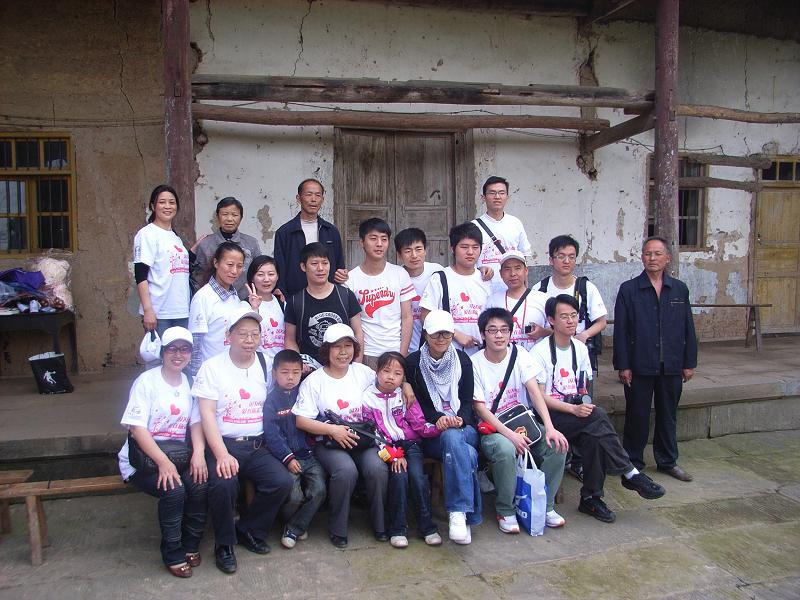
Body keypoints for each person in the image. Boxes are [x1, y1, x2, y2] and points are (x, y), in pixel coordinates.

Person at [532, 295, 666, 523]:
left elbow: (584, 386)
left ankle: (590, 499)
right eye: (564, 316)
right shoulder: (540, 351)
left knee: (594, 434)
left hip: (576, 413)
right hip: (550, 417)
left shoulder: (580, 349)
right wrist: (573, 410)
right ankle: (628, 472)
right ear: (551, 320)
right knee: (598, 417)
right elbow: (540, 397)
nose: (570, 321)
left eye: (574, 316)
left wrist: (582, 405)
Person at [193, 306, 292, 574]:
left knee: (281, 482)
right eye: (242, 334)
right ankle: (224, 545)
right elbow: (206, 414)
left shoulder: (265, 363)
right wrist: (221, 454)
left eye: (255, 334)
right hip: (225, 444)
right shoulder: (212, 367)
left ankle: (249, 529)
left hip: (258, 445)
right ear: (228, 336)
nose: (249, 340)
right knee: (224, 484)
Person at [118, 326, 208, 578]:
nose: (178, 355)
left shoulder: (191, 382)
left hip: (178, 456)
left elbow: (196, 423)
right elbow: (137, 428)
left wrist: (199, 453)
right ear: (162, 352)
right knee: (174, 489)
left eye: (184, 349)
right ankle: (172, 552)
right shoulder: (147, 381)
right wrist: (163, 463)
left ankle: (191, 544)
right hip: (144, 460)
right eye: (172, 349)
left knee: (200, 483)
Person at [471, 308, 569, 532]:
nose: (499, 335)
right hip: (493, 429)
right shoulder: (474, 363)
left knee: (557, 445)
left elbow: (535, 392)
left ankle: (545, 506)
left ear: (510, 333)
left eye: (504, 330)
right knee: (506, 448)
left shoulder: (520, 354)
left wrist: (550, 428)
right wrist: (510, 435)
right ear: (483, 334)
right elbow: (480, 408)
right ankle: (505, 510)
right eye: (492, 330)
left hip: (524, 424)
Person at [292, 324, 389, 548]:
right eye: (336, 347)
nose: (343, 352)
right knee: (345, 471)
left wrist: (406, 385)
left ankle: (380, 524)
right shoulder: (315, 380)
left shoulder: (364, 373)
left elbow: (387, 388)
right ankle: (338, 528)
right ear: (326, 350)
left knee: (377, 468)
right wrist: (331, 430)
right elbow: (301, 420)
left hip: (362, 439)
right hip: (330, 442)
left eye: (348, 346)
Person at [614, 236, 698, 482]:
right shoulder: (629, 289)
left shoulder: (679, 289)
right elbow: (621, 330)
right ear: (642, 257)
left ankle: (668, 461)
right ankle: (633, 463)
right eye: (648, 253)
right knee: (637, 415)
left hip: (671, 364)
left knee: (668, 414)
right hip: (640, 364)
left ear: (667, 258)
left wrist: (688, 363)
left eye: (658, 254)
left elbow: (688, 327)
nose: (652, 258)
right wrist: (623, 365)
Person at [405, 310, 481, 545]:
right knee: (466, 453)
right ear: (426, 335)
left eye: (447, 334)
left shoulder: (463, 360)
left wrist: (459, 419)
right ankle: (465, 517)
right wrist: (438, 418)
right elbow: (421, 404)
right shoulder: (413, 363)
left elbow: (467, 401)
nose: (441, 339)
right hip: (432, 432)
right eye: (436, 334)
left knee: (454, 437)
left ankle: (458, 511)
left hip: (464, 428)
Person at [361, 351, 442, 548]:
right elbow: (373, 432)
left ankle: (427, 527)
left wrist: (438, 428)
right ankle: (398, 529)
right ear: (377, 371)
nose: (391, 377)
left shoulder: (404, 395)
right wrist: (393, 454)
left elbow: (418, 422)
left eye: (397, 374)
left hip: (411, 444)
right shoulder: (368, 398)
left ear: (403, 377)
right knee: (399, 478)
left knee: (417, 477)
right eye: (386, 371)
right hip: (388, 447)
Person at [262, 349, 326, 549]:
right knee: (294, 497)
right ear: (274, 373)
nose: (290, 377)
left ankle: (294, 528)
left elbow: (316, 416)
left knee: (320, 490)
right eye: (285, 372)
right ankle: (295, 523)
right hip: (286, 459)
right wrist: (287, 458)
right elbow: (272, 435)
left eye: (295, 372)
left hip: (309, 454)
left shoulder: (304, 392)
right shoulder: (271, 401)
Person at [345, 218, 414, 367]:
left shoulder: (400, 274)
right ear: (362, 242)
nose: (379, 244)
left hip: (395, 351)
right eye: (373, 238)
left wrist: (402, 353)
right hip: (367, 353)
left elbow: (407, 317)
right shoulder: (351, 280)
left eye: (384, 239)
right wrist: (358, 360)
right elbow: (353, 324)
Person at [133, 185, 192, 360]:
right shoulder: (147, 234)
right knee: (160, 360)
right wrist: (148, 310)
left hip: (180, 310)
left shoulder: (174, 236)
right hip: (160, 311)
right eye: (162, 202)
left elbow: (176, 267)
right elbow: (141, 275)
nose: (167, 206)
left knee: (178, 360)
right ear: (153, 206)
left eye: (172, 202)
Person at [284, 242, 364, 370]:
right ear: (303, 266)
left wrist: (356, 366)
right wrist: (298, 365)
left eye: (325, 263)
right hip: (311, 371)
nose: (320, 268)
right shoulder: (296, 302)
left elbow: (358, 332)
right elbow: (290, 339)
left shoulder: (345, 295)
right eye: (314, 263)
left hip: (344, 368)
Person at [535, 235, 607, 372]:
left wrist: (584, 335)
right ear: (551, 260)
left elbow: (601, 322)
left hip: (578, 351)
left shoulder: (587, 288)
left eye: (571, 257)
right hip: (547, 353)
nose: (566, 261)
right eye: (561, 256)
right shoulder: (540, 289)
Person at [420, 223, 492, 356]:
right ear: (453, 249)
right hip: (448, 353)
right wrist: (456, 334)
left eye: (475, 247)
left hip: (482, 353)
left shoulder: (486, 279)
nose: (470, 252)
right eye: (464, 247)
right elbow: (425, 317)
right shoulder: (440, 278)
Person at [273, 179, 347, 298]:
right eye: (308, 194)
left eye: (318, 195)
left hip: (327, 296)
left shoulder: (331, 231)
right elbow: (279, 267)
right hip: (295, 295)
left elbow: (339, 265)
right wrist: (284, 295)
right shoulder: (285, 232)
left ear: (322, 200)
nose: (313, 199)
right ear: (298, 198)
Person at [188, 242, 245, 375]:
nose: (234, 271)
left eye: (239, 266)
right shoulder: (204, 297)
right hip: (211, 372)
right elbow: (196, 341)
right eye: (229, 265)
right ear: (216, 263)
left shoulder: (235, 296)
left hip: (232, 370)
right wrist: (196, 375)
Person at [192, 197, 262, 299]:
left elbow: (259, 272)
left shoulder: (251, 243)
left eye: (234, 215)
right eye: (225, 214)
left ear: (241, 217)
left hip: (245, 299)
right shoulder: (205, 244)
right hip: (214, 300)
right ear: (217, 216)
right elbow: (199, 276)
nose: (229, 219)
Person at [473, 176, 532, 296]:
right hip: (483, 290)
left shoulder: (515, 223)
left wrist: (525, 292)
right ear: (483, 198)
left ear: (507, 197)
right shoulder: (474, 226)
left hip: (512, 292)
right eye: (492, 193)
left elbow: (524, 258)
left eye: (501, 193)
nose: (497, 197)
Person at [486, 250, 551, 351]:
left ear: (526, 271)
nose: (513, 274)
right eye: (507, 269)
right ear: (501, 273)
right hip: (503, 358)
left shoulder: (543, 299)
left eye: (517, 268)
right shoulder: (492, 301)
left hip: (534, 358)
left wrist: (542, 332)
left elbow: (557, 331)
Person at [394, 228, 444, 354]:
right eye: (408, 251)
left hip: (434, 346)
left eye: (418, 249)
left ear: (425, 250)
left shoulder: (438, 272)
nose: (414, 255)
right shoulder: (395, 277)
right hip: (404, 348)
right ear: (399, 255)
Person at [244, 255, 285, 360]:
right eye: (260, 275)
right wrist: (254, 308)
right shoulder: (245, 305)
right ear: (252, 278)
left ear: (277, 276)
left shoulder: (282, 303)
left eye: (271, 274)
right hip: (259, 363)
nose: (266, 279)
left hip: (281, 365)